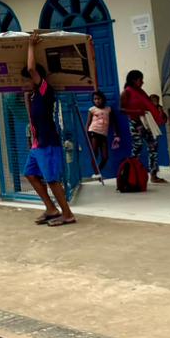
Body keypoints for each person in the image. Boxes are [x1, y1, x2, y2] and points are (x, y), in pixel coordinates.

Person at [24, 33, 75, 227]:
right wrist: (26, 98)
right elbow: (32, 118)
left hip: (48, 143)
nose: (25, 81)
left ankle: (67, 214)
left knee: (52, 179)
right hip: (37, 145)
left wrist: (30, 45)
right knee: (30, 173)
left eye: (28, 78)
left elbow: (31, 67)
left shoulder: (45, 89)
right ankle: (51, 208)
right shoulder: (35, 96)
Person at [120, 70, 167, 184]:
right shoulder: (126, 92)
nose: (142, 82)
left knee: (153, 146)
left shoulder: (140, 91)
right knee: (137, 147)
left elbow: (149, 106)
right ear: (133, 80)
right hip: (136, 124)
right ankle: (133, 174)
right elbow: (121, 109)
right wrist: (137, 111)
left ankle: (153, 175)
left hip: (146, 124)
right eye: (140, 80)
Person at [84, 90, 118, 179]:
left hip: (103, 134)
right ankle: (96, 174)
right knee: (95, 154)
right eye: (95, 99)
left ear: (103, 99)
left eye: (99, 99)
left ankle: (98, 170)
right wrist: (86, 133)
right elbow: (88, 123)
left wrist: (116, 133)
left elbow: (113, 122)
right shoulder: (92, 110)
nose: (97, 101)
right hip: (94, 132)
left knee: (105, 157)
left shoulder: (108, 109)